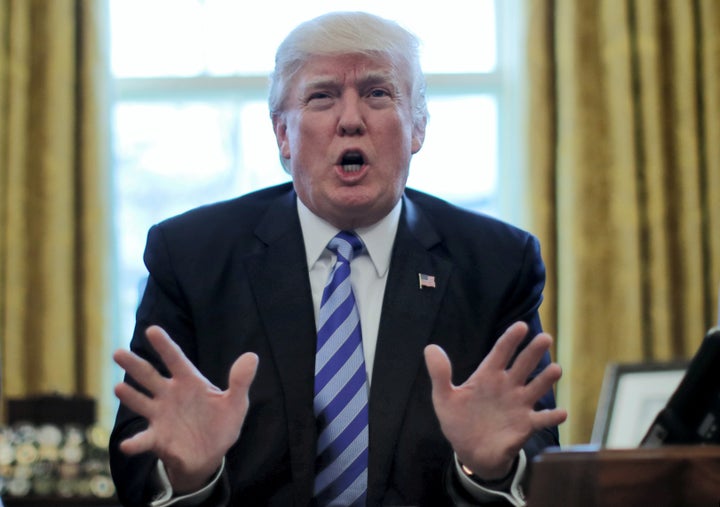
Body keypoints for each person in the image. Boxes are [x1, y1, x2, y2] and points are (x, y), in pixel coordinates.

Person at [109, 11, 567, 507]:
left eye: (377, 94)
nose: (351, 119)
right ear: (283, 135)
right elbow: (136, 457)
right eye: (322, 96)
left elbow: (536, 455)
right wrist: (187, 475)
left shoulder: (497, 265)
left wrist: (488, 467)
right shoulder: (192, 257)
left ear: (417, 128)